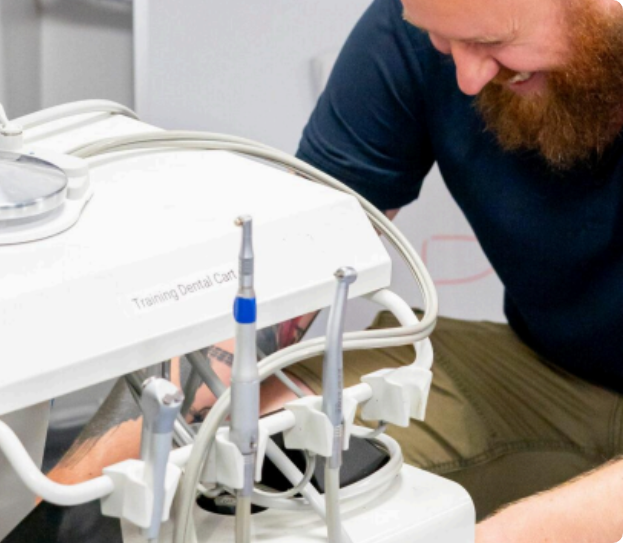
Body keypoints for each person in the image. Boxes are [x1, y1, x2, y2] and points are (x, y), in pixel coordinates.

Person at [47, 0, 623, 540]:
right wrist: (67, 501)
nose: (469, 79)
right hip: (544, 376)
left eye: (491, 42)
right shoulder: (413, 30)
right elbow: (284, 276)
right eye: (444, 42)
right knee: (227, 443)